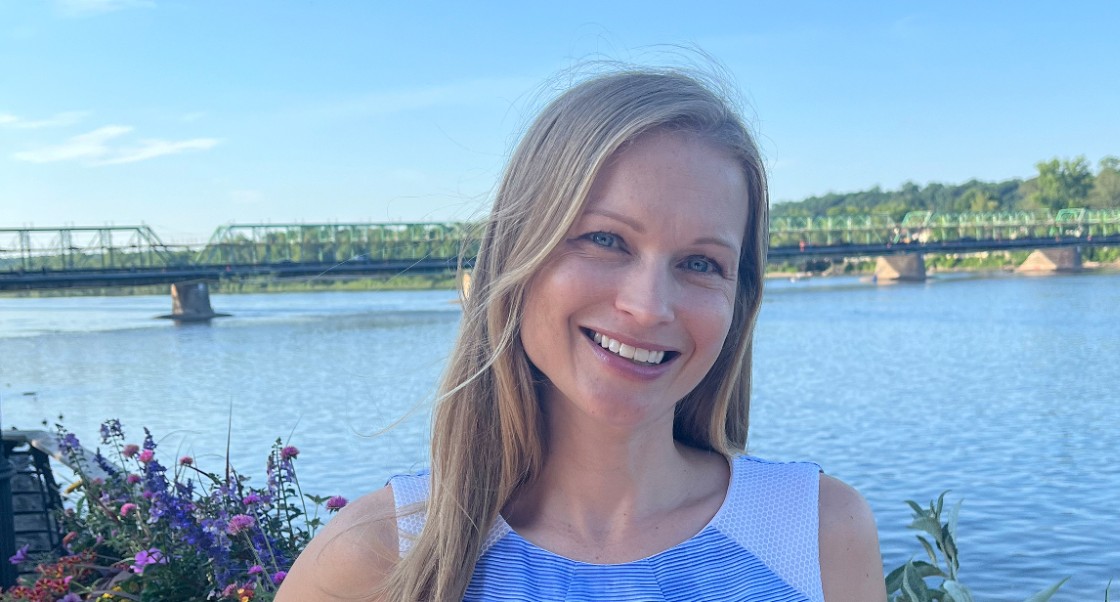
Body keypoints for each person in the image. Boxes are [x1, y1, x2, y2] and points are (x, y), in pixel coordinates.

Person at [279, 67, 884, 601]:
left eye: (701, 263)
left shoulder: (820, 533)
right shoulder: (377, 557)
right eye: (605, 239)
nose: (648, 307)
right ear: (517, 258)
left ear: (738, 301)